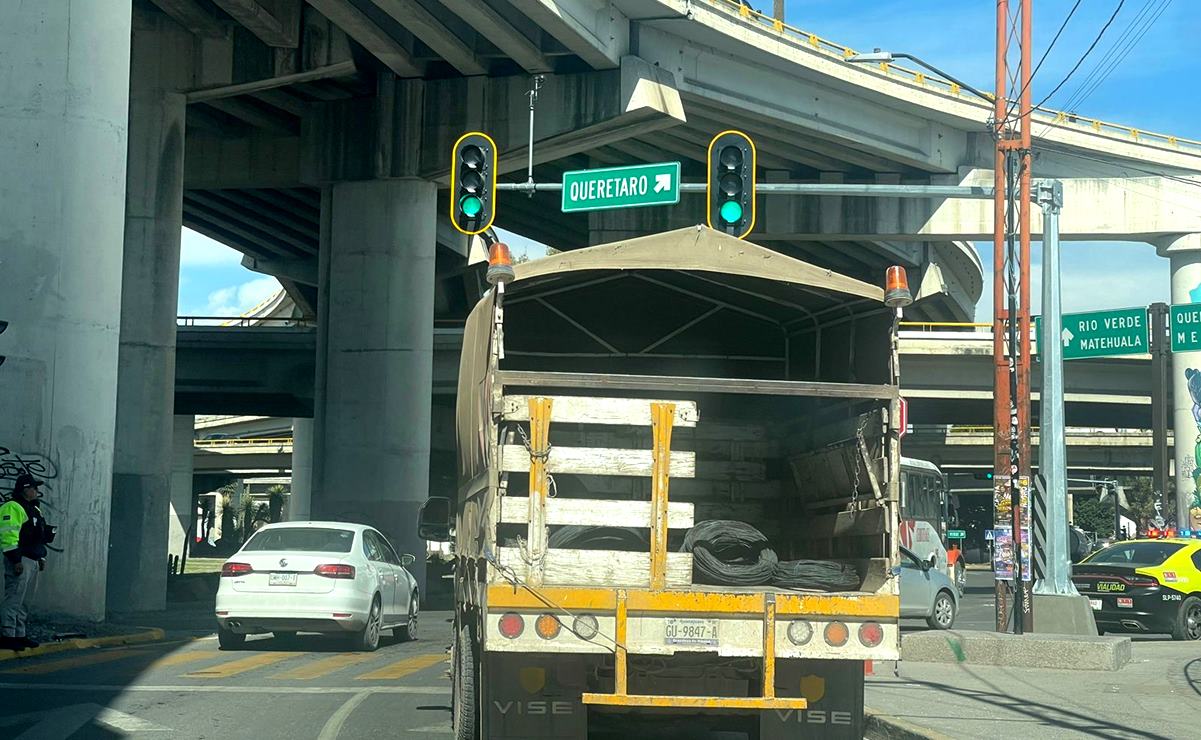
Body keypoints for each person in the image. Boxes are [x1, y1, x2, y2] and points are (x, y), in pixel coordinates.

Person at [1, 473, 54, 650]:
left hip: (32, 559)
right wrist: (16, 560)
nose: (37, 491)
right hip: (20, 559)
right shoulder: (12, 507)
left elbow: (37, 537)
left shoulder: (34, 509)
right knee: (14, 597)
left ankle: (19, 634)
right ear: (25, 489)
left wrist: (41, 556)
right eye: (34, 488)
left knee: (25, 600)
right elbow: (9, 536)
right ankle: (7, 635)